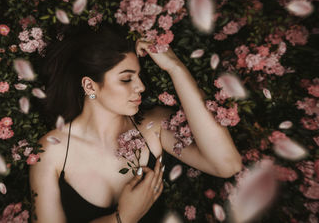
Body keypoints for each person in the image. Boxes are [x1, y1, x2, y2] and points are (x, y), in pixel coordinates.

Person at [29, 23, 242, 223]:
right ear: (90, 86)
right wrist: (123, 218)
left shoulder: (153, 128)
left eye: (139, 76)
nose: (140, 86)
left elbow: (227, 165)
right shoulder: (51, 152)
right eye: (126, 79)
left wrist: (174, 67)